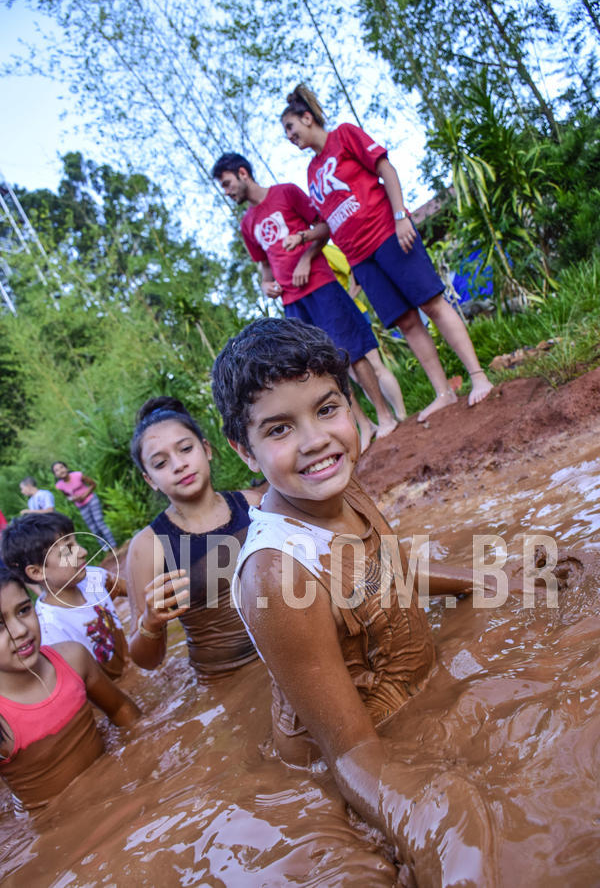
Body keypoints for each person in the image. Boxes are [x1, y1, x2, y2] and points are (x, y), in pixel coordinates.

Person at [211, 317, 496, 884]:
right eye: (279, 429)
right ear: (245, 451)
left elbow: (387, 572)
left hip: (399, 700)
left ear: (351, 404)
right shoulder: (276, 575)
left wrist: (487, 578)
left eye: (326, 409)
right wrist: (441, 834)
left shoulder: (337, 483)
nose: (315, 440)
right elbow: (349, 755)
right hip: (336, 763)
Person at [280, 84, 493, 423]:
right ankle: (444, 392)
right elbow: (328, 223)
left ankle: (478, 376)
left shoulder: (344, 135)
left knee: (432, 303)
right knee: (406, 322)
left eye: (291, 127)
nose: (289, 136)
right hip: (361, 259)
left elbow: (385, 169)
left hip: (388, 235)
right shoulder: (311, 172)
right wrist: (303, 237)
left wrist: (400, 216)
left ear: (307, 118)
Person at [211, 152, 398, 452]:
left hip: (322, 286)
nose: (227, 191)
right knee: (321, 366)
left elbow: (324, 227)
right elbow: (264, 266)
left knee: (352, 352)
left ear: (243, 173)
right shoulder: (248, 224)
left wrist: (306, 259)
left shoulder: (286, 193)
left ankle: (385, 416)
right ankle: (363, 425)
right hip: (292, 303)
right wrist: (266, 285)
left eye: (227, 183)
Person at [126, 396, 263, 676]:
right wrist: (151, 623)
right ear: (150, 480)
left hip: (290, 654)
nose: (178, 465)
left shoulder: (254, 505)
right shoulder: (148, 546)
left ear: (206, 449)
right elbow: (147, 661)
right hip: (223, 678)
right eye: (160, 463)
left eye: (186, 449)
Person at [0, 570, 140, 813]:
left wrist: (144, 748)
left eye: (23, 610)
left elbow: (121, 709)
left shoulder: (73, 658)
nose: (20, 630)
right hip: (58, 822)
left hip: (120, 790)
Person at [1, 513, 127, 680]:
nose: (83, 552)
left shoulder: (93, 579)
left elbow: (136, 591)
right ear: (37, 572)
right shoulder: (50, 627)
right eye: (68, 550)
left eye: (76, 543)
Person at [322, 243, 407, 421]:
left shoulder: (324, 250)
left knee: (376, 366)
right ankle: (387, 418)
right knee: (359, 378)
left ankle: (402, 415)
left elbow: (352, 267)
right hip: (334, 325)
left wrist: (349, 298)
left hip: (354, 314)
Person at [51, 462, 116, 548]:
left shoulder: (78, 475)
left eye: (61, 467)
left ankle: (114, 546)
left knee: (99, 522)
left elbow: (93, 484)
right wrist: (72, 498)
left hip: (91, 500)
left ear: (66, 468)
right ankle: (106, 549)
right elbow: (67, 495)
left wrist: (84, 495)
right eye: (57, 470)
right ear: (55, 475)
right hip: (81, 506)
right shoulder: (59, 486)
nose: (60, 471)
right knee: (93, 528)